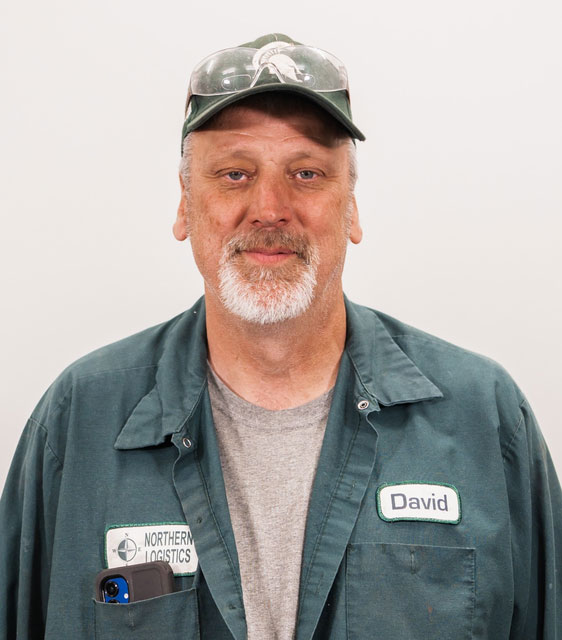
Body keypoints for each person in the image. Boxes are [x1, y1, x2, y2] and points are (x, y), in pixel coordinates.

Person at [0, 32, 560, 640]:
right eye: (235, 173)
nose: (270, 208)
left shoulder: (484, 419)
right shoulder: (78, 422)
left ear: (351, 209)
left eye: (307, 173)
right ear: (185, 205)